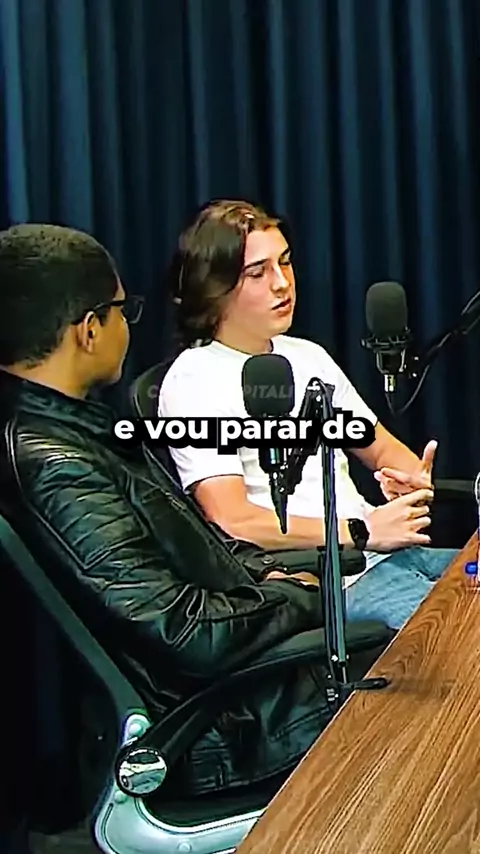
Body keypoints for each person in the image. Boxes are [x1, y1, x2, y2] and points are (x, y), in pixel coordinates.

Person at [0, 222, 373, 802]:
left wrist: (269, 574)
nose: (129, 325)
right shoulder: (57, 464)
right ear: (90, 330)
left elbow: (201, 546)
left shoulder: (82, 431)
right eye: (123, 311)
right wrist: (301, 597)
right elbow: (186, 632)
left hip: (255, 679)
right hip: (232, 726)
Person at [158, 199, 458, 630]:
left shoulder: (307, 356)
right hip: (328, 580)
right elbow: (233, 519)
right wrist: (362, 531)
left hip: (388, 551)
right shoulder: (193, 380)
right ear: (215, 287)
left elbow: (384, 451)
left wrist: (409, 481)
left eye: (285, 262)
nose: (283, 284)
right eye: (258, 273)